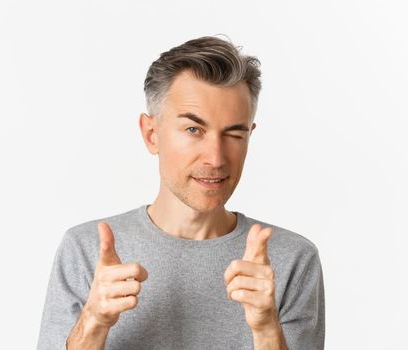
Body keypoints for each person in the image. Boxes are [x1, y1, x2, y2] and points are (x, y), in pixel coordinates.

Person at [36, 35, 325, 350]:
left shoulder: (291, 259)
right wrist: (92, 326)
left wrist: (267, 331)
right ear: (151, 134)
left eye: (234, 133)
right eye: (193, 130)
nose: (215, 158)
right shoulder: (84, 250)